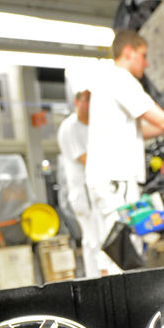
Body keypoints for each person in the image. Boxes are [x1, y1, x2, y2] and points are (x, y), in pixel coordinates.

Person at [85, 29, 164, 275]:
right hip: (115, 180)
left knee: (115, 250)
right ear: (128, 52)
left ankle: (115, 306)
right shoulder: (120, 79)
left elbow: (146, 130)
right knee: (119, 253)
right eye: (143, 55)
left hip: (111, 179)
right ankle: (116, 310)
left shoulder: (107, 81)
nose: (147, 63)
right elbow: (163, 121)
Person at [57, 89, 102, 278]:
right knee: (94, 239)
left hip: (94, 190)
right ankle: (99, 278)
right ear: (77, 102)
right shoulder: (70, 126)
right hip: (83, 192)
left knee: (98, 238)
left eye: (93, 100)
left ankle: (100, 276)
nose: (90, 104)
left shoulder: (93, 126)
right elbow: (86, 160)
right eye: (86, 100)